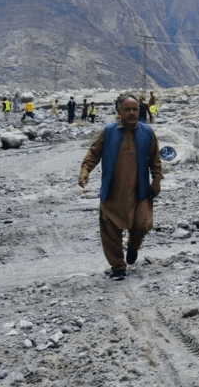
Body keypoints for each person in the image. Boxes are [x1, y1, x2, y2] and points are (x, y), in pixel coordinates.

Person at [78, 94, 163, 280]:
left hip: (139, 191)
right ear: (119, 112)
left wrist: (156, 179)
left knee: (143, 223)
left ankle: (133, 244)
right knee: (110, 231)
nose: (133, 113)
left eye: (135, 109)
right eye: (128, 109)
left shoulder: (147, 133)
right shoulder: (109, 132)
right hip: (113, 191)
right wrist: (85, 170)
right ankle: (118, 267)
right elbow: (93, 153)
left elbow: (155, 160)